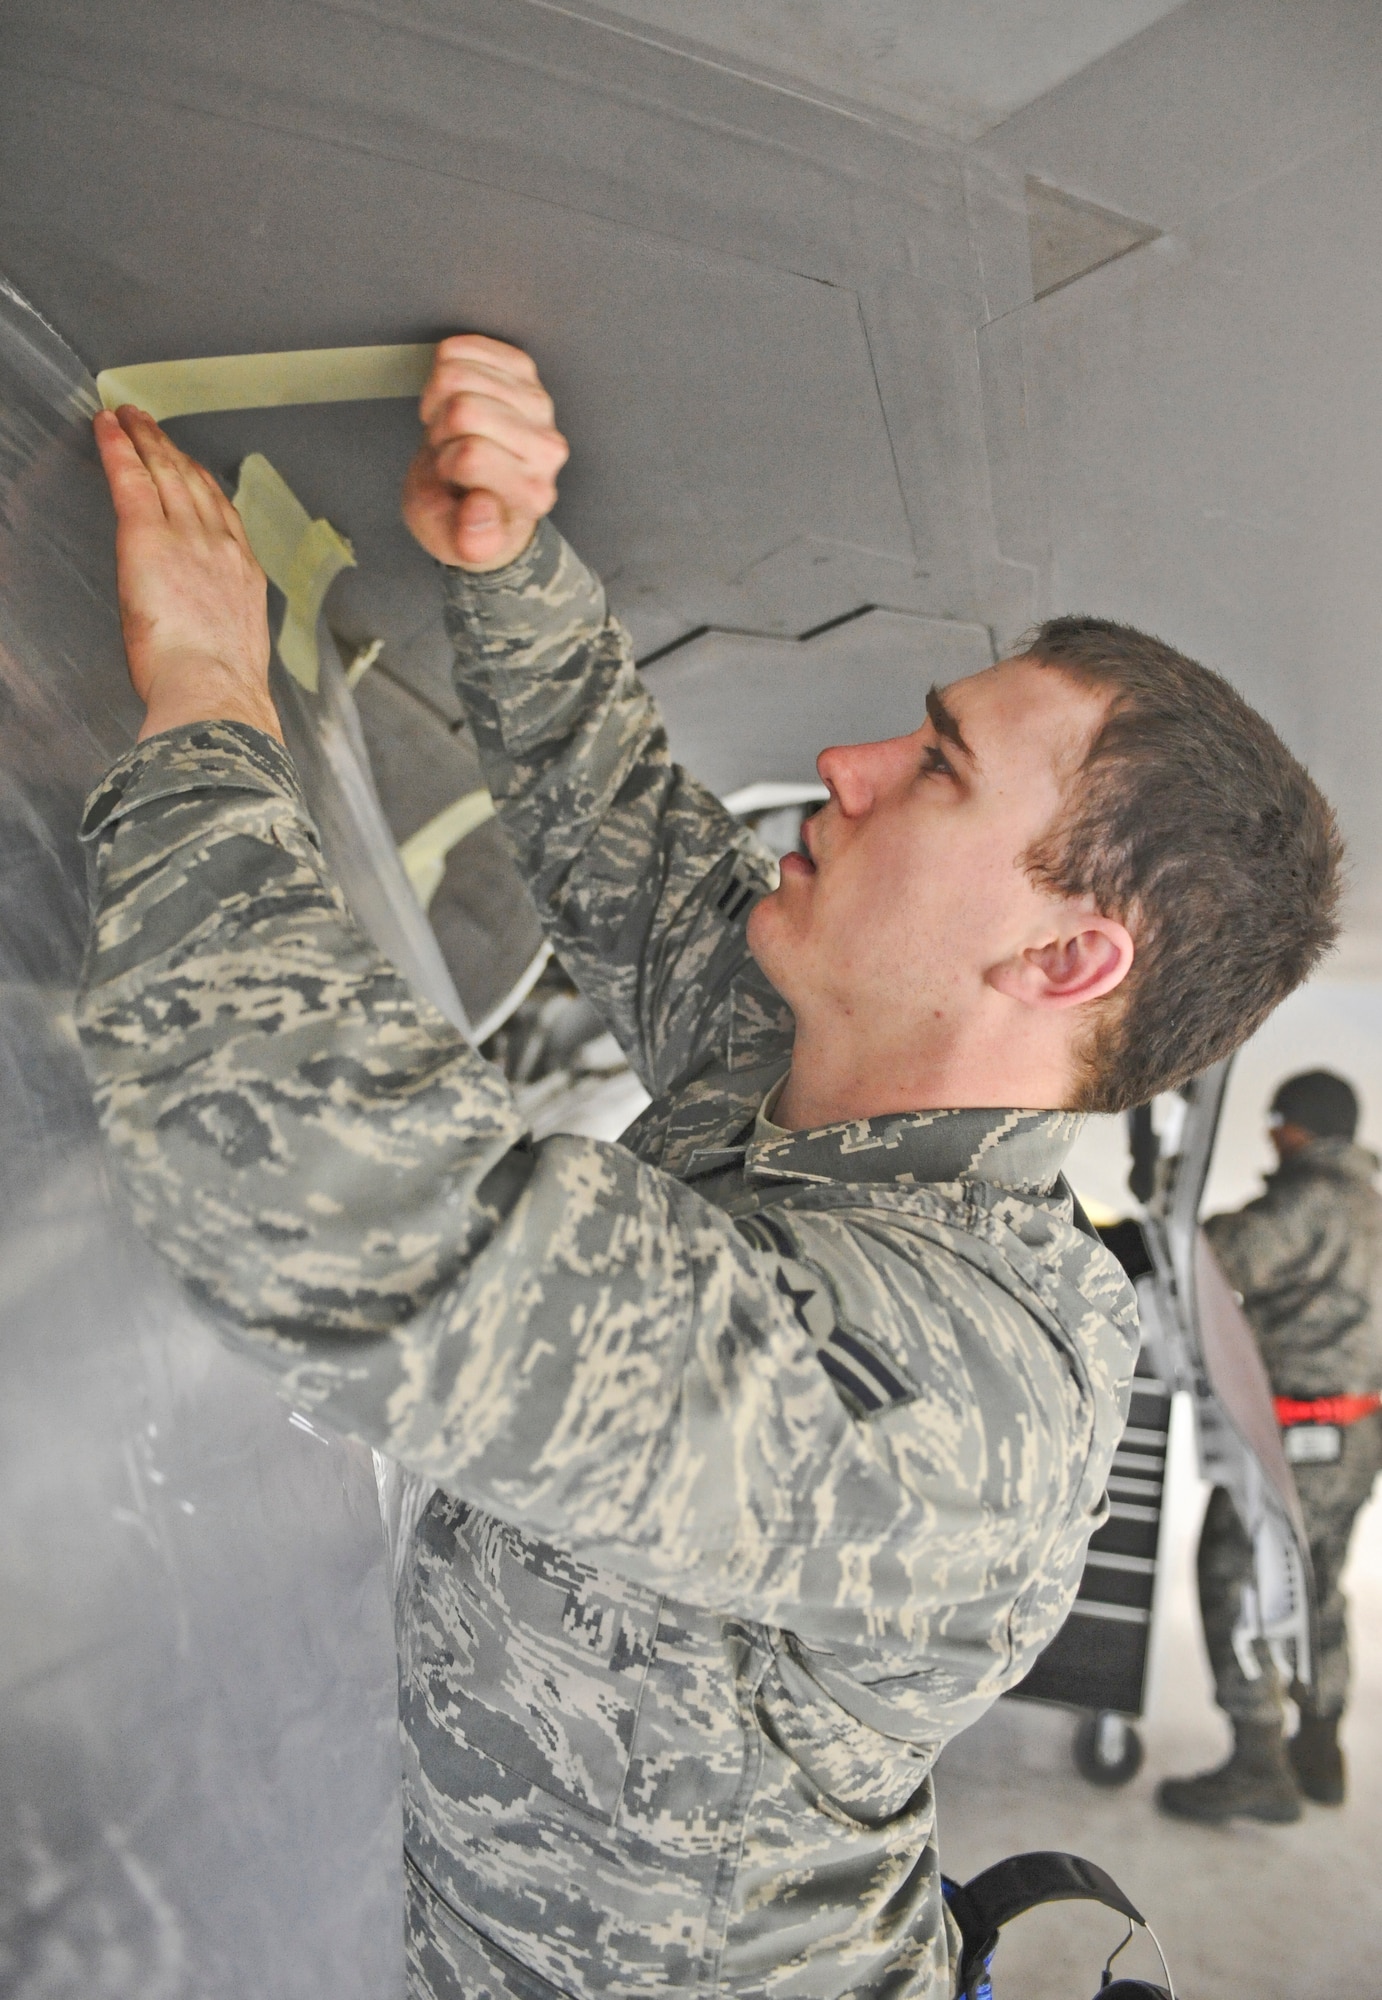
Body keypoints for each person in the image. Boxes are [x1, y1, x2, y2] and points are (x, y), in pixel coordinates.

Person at [78, 336, 1342, 2000]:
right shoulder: (823, 1080)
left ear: (1064, 961)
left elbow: (351, 1212)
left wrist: (208, 713)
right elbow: (633, 849)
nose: (849, 768)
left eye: (937, 767)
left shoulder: (942, 1396)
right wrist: (506, 555)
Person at [1158, 1070, 1382, 1825]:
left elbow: (1219, 1258)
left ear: (1299, 1125)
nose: (1269, 1136)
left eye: (1276, 1122)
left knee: (1232, 1574)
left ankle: (1258, 1760)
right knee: (1315, 1585)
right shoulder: (1371, 1204)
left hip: (1295, 1434)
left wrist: (1166, 1217)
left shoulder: (1311, 1198)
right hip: (1353, 1435)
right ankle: (1319, 1750)